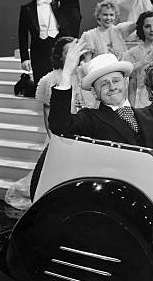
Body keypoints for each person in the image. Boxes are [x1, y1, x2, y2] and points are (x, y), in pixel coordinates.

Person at [6, 37, 97, 209]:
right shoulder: (50, 79)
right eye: (68, 52)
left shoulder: (85, 74)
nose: (74, 56)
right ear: (60, 56)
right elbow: (48, 115)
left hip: (84, 133)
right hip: (60, 136)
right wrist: (56, 141)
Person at [48, 40, 153, 147]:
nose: (112, 87)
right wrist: (66, 73)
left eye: (116, 81)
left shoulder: (148, 114)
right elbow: (60, 126)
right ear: (94, 93)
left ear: (125, 82)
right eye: (104, 84)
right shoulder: (91, 119)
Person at [18, 0, 69, 87]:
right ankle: (26, 85)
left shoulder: (60, 5)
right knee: (42, 88)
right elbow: (23, 35)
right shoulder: (27, 9)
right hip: (39, 52)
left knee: (60, 86)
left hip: (58, 50)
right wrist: (25, 58)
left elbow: (66, 30)